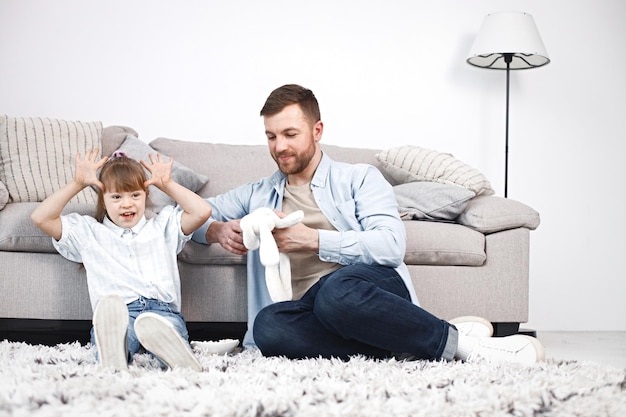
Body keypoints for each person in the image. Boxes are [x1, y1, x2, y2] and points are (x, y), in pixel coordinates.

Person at [193, 84, 545, 364]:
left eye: (289, 134)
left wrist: (313, 240)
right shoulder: (257, 194)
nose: (279, 146)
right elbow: (189, 218)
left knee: (334, 292)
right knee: (268, 327)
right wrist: (216, 230)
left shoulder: (359, 178)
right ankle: (409, 341)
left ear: (317, 130)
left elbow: (390, 246)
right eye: (271, 136)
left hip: (365, 289)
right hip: (310, 311)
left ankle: (459, 346)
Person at [31, 150, 212, 371]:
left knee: (169, 329)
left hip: (162, 312)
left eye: (135, 195)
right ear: (103, 201)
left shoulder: (163, 225)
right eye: (117, 197)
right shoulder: (88, 232)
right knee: (115, 334)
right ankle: (114, 356)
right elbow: (40, 217)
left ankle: (178, 357)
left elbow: (202, 211)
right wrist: (77, 184)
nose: (127, 204)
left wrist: (167, 183)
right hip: (118, 313)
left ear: (146, 195)